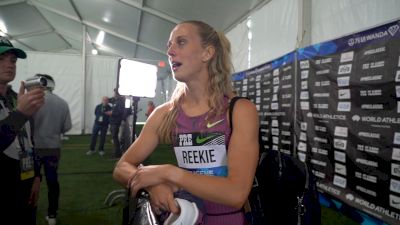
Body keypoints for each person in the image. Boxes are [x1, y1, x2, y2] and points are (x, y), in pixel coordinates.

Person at [113, 21, 259, 224]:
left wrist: (169, 173)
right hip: (184, 216)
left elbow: (236, 194)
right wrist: (153, 186)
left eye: (181, 43)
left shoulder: (240, 111)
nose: (170, 52)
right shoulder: (164, 113)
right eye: (169, 46)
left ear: (207, 53)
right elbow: (122, 167)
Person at [0, 37, 45, 225]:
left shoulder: (14, 97)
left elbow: (30, 140)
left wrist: (36, 176)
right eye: (1, 59)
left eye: (13, 60)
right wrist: (20, 114)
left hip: (24, 183)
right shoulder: (19, 104)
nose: (9, 65)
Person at [32, 74, 72, 225]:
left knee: (31, 182)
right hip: (53, 148)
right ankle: (52, 215)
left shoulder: (33, 101)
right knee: (52, 181)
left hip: (34, 148)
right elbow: (67, 127)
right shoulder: (62, 103)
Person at [109, 89, 125, 158]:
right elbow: (110, 100)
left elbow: (120, 112)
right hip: (113, 121)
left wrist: (112, 113)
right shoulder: (116, 101)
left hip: (116, 122)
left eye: (115, 93)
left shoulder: (120, 102)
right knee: (114, 138)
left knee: (115, 138)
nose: (114, 94)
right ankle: (116, 152)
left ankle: (117, 153)